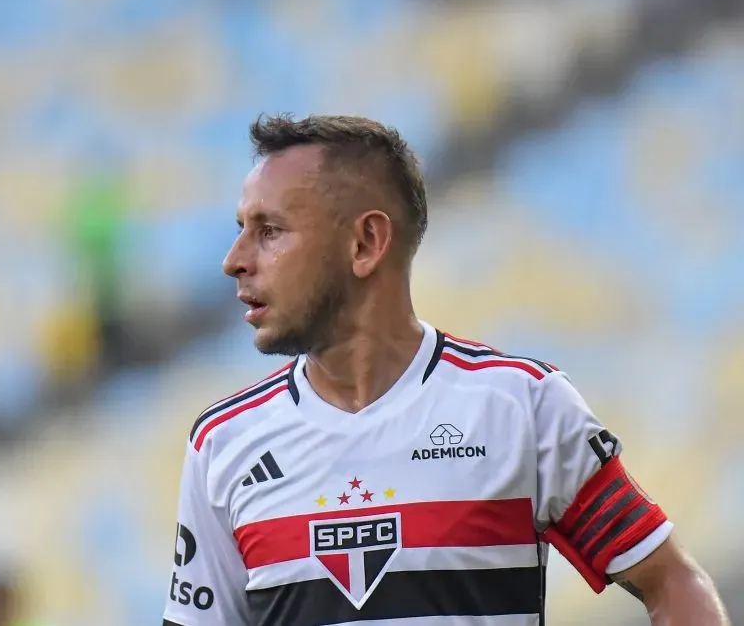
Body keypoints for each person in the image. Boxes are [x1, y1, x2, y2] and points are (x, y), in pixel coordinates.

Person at [161, 114, 729, 626]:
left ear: (365, 242)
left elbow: (673, 583)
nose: (234, 259)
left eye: (270, 231)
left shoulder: (523, 409)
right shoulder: (223, 446)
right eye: (241, 228)